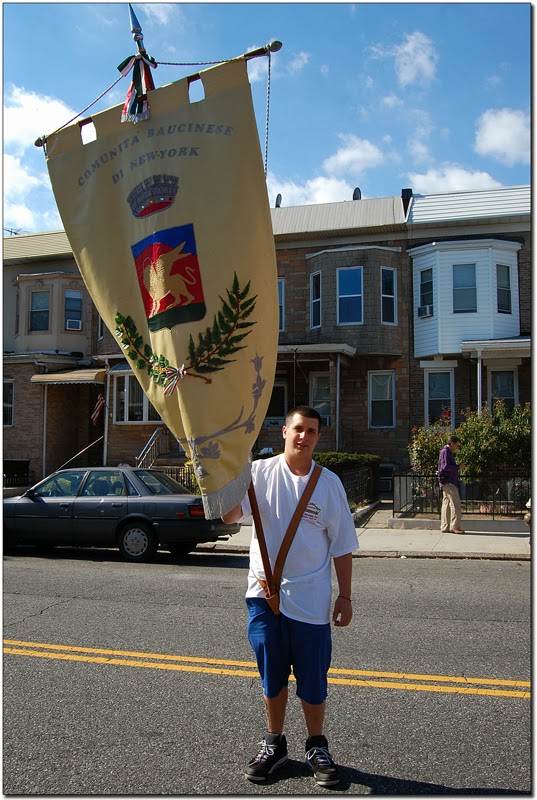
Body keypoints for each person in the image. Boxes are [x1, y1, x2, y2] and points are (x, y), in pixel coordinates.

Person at [222, 405, 358, 786]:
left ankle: (316, 745)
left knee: (313, 680)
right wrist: (219, 477)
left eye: (312, 431)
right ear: (284, 432)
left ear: (317, 437)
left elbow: (342, 546)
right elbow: (231, 516)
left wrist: (345, 596)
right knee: (272, 675)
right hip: (263, 596)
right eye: (298, 428)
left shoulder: (329, 484)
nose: (304, 436)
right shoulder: (259, 473)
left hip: (311, 601)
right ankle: (275, 743)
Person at [438, 435, 466, 534]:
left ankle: (445, 526)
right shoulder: (446, 452)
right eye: (457, 446)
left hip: (445, 481)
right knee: (455, 504)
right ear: (452, 443)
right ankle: (455, 526)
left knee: (446, 504)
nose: (457, 448)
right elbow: (445, 467)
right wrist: (458, 467)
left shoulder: (445, 452)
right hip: (449, 481)